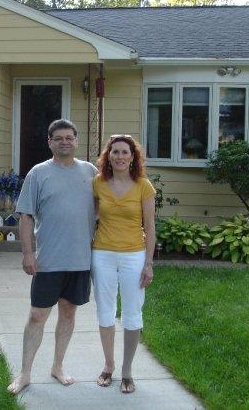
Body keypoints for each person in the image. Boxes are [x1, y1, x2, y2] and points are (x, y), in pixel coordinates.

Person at [7, 119, 97, 394]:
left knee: (68, 313)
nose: (64, 142)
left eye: (69, 137)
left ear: (76, 141)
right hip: (48, 260)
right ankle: (24, 374)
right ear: (50, 142)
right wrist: (27, 253)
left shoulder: (90, 172)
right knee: (37, 315)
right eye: (58, 138)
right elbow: (25, 216)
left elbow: (108, 208)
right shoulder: (38, 173)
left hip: (81, 259)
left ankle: (58, 366)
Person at [91, 134, 156, 394]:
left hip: (134, 255)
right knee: (105, 311)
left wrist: (148, 263)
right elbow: (91, 217)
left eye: (124, 152)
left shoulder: (144, 186)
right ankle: (109, 365)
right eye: (115, 152)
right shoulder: (98, 184)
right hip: (103, 254)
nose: (119, 157)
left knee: (132, 313)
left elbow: (150, 226)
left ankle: (127, 371)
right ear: (108, 156)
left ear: (133, 157)